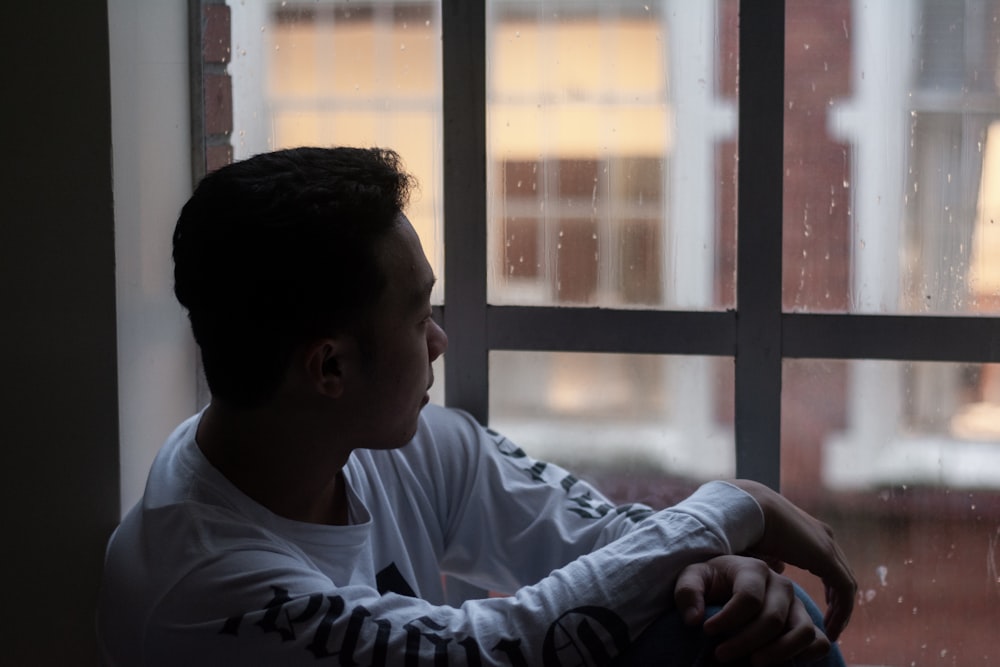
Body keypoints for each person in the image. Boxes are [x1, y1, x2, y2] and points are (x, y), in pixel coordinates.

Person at [97, 146, 856, 666]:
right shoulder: (199, 587)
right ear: (329, 365)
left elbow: (611, 545)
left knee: (749, 626)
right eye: (417, 313)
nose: (439, 338)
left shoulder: (405, 443)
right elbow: (486, 650)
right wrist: (736, 506)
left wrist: (725, 569)